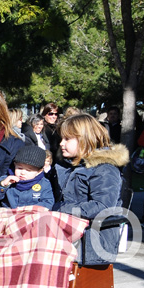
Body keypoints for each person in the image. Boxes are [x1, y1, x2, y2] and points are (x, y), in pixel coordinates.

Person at [55, 113, 128, 265]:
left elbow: (102, 207)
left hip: (93, 243)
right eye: (61, 138)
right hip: (71, 234)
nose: (62, 143)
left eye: (67, 139)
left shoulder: (105, 169)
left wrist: (60, 209)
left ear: (85, 139)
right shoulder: (69, 167)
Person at [0, 145, 56, 210]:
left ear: (39, 171)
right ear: (15, 165)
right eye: (20, 168)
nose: (23, 173)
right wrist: (2, 185)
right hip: (10, 214)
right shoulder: (7, 179)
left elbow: (48, 202)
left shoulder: (44, 184)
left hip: (32, 215)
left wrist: (30, 209)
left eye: (28, 170)